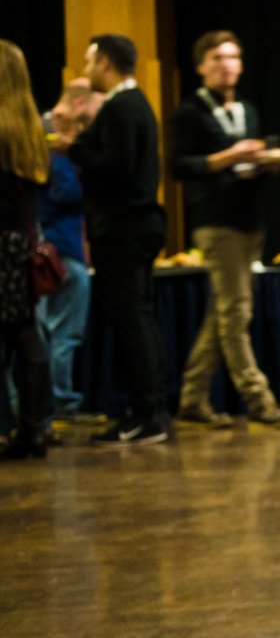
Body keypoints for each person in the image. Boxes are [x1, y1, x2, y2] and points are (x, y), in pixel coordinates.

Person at [170, 31, 280, 430]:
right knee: (237, 312)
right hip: (216, 223)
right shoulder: (190, 112)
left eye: (233, 57)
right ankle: (259, 398)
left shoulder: (247, 110)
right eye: (218, 57)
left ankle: (191, 397)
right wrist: (229, 156)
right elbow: (179, 167)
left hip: (249, 221)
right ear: (201, 66)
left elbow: (248, 168)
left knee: (223, 313)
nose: (227, 64)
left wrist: (265, 165)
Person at [57, 34, 170, 445]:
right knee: (139, 317)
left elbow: (116, 167)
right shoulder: (136, 104)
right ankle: (149, 409)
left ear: (105, 63)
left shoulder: (122, 107)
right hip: (138, 226)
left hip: (123, 228)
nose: (85, 71)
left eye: (89, 63)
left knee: (131, 319)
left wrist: (74, 149)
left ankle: (145, 413)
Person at [0, 41, 55, 462]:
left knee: (18, 335)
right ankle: (34, 428)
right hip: (21, 239)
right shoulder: (30, 126)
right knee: (24, 333)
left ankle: (21, 426)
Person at [39, 81, 98, 428]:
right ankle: (60, 401)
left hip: (61, 248)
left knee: (52, 331)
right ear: (78, 104)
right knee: (62, 333)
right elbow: (66, 194)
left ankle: (53, 402)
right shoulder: (51, 140)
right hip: (60, 250)